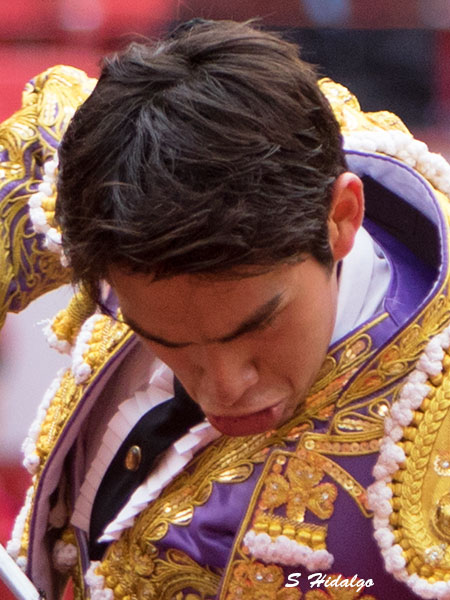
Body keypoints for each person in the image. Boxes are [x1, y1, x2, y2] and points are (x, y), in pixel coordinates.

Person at [2, 18, 450, 600]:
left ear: (341, 219)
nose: (222, 388)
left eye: (258, 326)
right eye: (166, 339)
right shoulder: (110, 176)